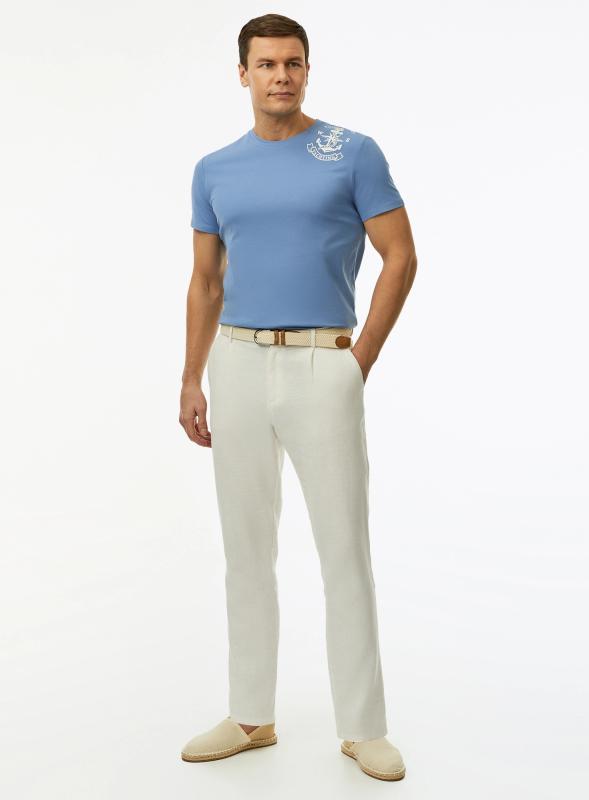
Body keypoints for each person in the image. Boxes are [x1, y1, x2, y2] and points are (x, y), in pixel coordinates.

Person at [179, 13, 417, 782]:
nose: (280, 76)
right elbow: (205, 281)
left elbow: (399, 256)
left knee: (343, 548)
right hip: (236, 364)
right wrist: (191, 377)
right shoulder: (214, 169)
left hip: (323, 363)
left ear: (307, 71)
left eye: (293, 63)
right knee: (245, 550)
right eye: (266, 64)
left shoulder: (351, 152)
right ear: (241, 74)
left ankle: (363, 728)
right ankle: (250, 716)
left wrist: (359, 359)